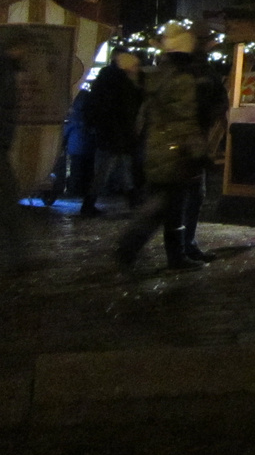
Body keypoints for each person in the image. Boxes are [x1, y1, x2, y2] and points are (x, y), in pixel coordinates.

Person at [115, 22, 227, 271]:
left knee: (166, 203)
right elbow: (185, 120)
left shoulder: (160, 74)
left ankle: (152, 250)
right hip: (177, 151)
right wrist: (199, 152)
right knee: (166, 204)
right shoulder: (184, 79)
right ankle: (139, 248)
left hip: (158, 146)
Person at [80, 50, 144, 215]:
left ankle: (131, 202)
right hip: (116, 134)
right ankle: (91, 204)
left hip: (113, 134)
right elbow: (120, 111)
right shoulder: (122, 83)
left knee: (118, 168)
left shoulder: (111, 80)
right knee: (108, 170)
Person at [0, 39, 29, 266]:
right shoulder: (0, 67)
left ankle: (16, 254)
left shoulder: (2, 66)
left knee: (8, 195)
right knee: (8, 195)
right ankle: (17, 255)